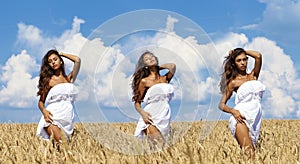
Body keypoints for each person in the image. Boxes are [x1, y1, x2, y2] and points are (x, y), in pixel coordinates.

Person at [218, 48, 266, 157]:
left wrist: (240, 50)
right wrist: (233, 111)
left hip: (255, 118)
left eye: (244, 59)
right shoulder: (233, 82)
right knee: (250, 155)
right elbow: (221, 104)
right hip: (240, 117)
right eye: (239, 60)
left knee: (254, 155)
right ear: (234, 63)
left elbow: (258, 55)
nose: (243, 63)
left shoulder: (253, 76)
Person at [36, 49, 81, 149]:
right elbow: (41, 102)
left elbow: (77, 60)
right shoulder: (49, 80)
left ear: (61, 61)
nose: (53, 62)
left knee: (62, 151)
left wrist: (62, 54)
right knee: (64, 147)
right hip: (53, 117)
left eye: (55, 59)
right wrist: (44, 111)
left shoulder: (69, 79)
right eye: (50, 61)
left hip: (68, 118)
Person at [132, 51, 176, 146]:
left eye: (152, 57)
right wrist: (143, 114)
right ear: (145, 65)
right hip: (151, 116)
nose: (150, 59)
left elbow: (172, 66)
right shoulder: (144, 81)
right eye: (147, 59)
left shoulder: (165, 78)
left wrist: (157, 67)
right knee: (159, 143)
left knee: (162, 147)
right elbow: (137, 102)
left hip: (165, 114)